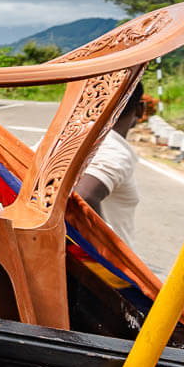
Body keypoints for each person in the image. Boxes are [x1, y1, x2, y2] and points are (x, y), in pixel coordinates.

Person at [73, 81, 145, 247]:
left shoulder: (64, 139)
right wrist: (108, 256)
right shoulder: (112, 149)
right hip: (101, 269)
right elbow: (85, 195)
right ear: (141, 109)